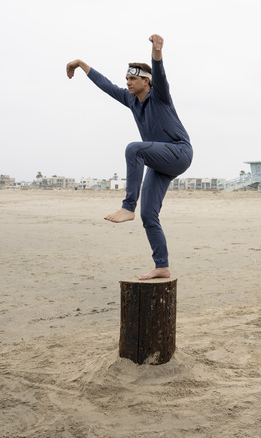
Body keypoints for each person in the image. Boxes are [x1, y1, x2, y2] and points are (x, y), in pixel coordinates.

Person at [66, 34, 193, 280]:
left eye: (133, 79)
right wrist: (82, 64)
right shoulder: (131, 100)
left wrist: (157, 52)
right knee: (149, 215)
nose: (128, 83)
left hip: (179, 152)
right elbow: (106, 85)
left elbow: (160, 71)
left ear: (147, 81)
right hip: (160, 161)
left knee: (134, 148)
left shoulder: (160, 96)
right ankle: (162, 265)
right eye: (126, 79)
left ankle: (127, 206)